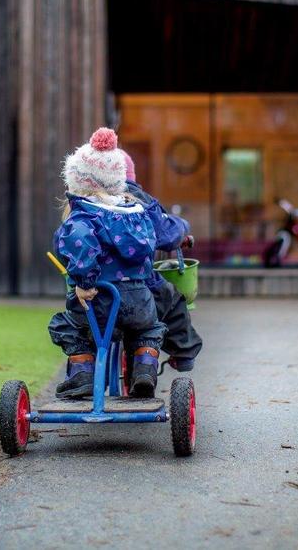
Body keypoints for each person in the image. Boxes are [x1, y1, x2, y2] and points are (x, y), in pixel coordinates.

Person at [48, 127, 166, 399]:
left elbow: (81, 243)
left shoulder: (84, 217)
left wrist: (84, 283)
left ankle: (82, 375)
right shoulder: (136, 213)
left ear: (80, 181)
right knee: (148, 328)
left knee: (68, 325)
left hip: (99, 300)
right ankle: (145, 369)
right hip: (138, 298)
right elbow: (149, 246)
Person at [120, 150, 203, 371]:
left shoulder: (87, 204)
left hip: (96, 292)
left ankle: (84, 369)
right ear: (130, 176)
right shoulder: (140, 202)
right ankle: (183, 354)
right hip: (140, 287)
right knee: (173, 301)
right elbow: (167, 234)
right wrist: (183, 227)